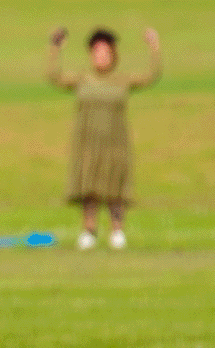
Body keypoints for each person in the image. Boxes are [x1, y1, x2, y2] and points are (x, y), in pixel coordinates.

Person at [48, 26, 161, 250]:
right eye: (97, 53)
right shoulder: (83, 79)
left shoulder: (121, 80)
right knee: (89, 186)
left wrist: (154, 48)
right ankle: (89, 230)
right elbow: (55, 77)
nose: (101, 58)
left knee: (115, 188)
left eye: (106, 53)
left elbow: (150, 76)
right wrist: (55, 49)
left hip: (115, 143)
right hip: (87, 143)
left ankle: (117, 231)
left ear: (114, 55)